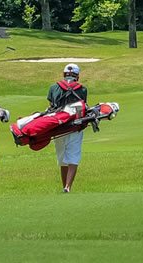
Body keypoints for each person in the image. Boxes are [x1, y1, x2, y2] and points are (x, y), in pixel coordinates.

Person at [47, 64, 88, 193]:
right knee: (73, 156)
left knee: (62, 157)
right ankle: (68, 186)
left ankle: (64, 185)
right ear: (77, 76)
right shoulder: (83, 89)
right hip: (75, 126)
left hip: (58, 127)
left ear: (64, 74)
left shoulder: (53, 88)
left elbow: (51, 106)